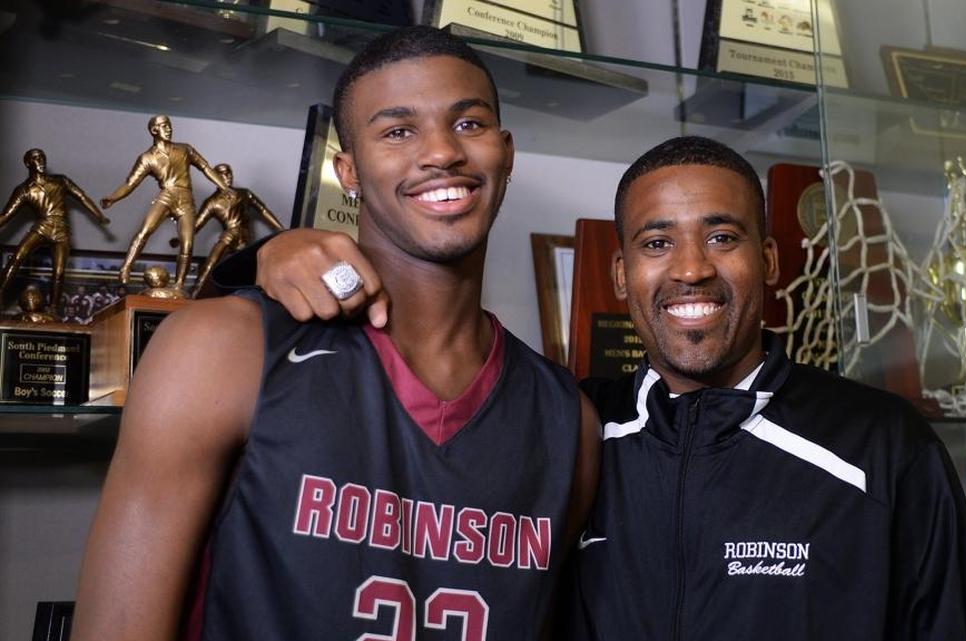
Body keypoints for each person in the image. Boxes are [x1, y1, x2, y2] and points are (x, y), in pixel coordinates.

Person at [223, 136, 966, 639]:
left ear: (768, 261)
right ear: (622, 274)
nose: (691, 268)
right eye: (658, 242)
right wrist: (266, 256)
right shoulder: (566, 426)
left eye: (722, 236)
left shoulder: (881, 446)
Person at [72, 26, 598, 641]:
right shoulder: (221, 348)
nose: (441, 152)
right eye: (398, 131)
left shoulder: (570, 420)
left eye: (469, 123)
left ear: (505, 152)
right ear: (348, 170)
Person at [101, 115, 231, 291]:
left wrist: (224, 187)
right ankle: (126, 268)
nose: (168, 129)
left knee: (188, 243)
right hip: (166, 196)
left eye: (169, 125)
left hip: (186, 198)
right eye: (164, 126)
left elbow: (206, 168)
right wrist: (113, 197)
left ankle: (179, 284)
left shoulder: (185, 149)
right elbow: (130, 184)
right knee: (145, 231)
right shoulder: (147, 157)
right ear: (154, 130)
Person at [0, 148, 109, 309]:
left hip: (61, 229)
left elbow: (82, 197)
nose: (41, 160)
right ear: (28, 163)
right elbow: (6, 215)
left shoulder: (60, 181)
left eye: (42, 157)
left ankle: (53, 309)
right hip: (42, 226)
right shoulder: (24, 190)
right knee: (17, 257)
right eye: (36, 158)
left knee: (59, 272)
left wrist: (99, 216)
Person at [191, 163, 284, 298]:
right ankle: (194, 295)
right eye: (223, 174)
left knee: (251, 268)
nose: (228, 176)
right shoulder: (212, 202)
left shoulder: (244, 194)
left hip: (244, 236)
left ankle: (260, 298)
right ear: (215, 177)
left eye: (229, 173)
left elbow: (263, 211)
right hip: (229, 235)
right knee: (211, 263)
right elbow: (197, 225)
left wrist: (281, 229)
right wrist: (181, 238)